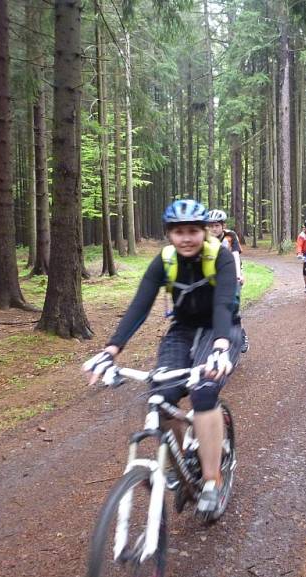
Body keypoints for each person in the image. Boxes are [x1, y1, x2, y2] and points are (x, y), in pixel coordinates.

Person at [83, 198, 242, 519]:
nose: (186, 238)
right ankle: (182, 458)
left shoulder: (220, 257)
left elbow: (225, 303)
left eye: (193, 231)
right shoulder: (165, 261)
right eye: (179, 232)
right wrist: (111, 349)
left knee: (204, 391)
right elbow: (140, 306)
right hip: (182, 331)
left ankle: (212, 480)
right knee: (160, 394)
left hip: (220, 331)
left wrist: (222, 346)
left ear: (204, 232)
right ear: (169, 234)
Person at [206, 209, 249, 353]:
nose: (214, 228)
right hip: (213, 275)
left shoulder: (231, 236)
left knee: (233, 306)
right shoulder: (205, 238)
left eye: (217, 225)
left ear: (223, 226)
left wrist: (238, 275)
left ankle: (241, 334)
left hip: (231, 273)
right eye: (211, 225)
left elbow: (236, 255)